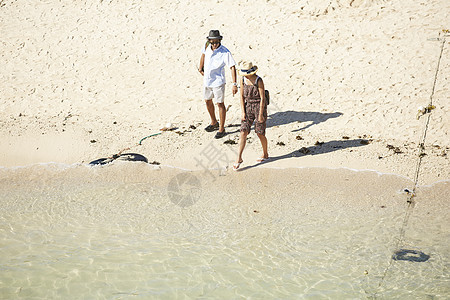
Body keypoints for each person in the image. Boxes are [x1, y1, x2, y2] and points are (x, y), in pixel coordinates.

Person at [198, 30, 238, 139]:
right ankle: (214, 122)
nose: (214, 44)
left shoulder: (225, 52)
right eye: (213, 42)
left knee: (220, 103)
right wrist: (200, 68)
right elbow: (203, 54)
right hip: (207, 80)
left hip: (218, 82)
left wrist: (234, 83)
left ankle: (221, 128)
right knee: (207, 101)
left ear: (220, 40)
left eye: (216, 42)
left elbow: (232, 67)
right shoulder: (207, 46)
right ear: (209, 41)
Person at [233, 61, 268, 170]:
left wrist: (261, 114)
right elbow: (242, 97)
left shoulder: (259, 80)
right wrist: (243, 112)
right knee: (243, 131)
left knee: (260, 133)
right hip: (248, 106)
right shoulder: (243, 80)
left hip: (259, 106)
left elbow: (262, 98)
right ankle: (239, 158)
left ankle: (265, 153)